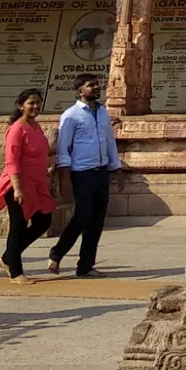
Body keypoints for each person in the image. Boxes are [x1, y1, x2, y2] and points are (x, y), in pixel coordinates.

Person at [47, 75, 121, 278]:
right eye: (91, 85)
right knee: (82, 216)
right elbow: (63, 148)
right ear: (80, 91)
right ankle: (57, 252)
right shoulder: (71, 116)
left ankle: (86, 265)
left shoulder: (103, 113)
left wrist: (116, 167)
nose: (96, 88)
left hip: (101, 170)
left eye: (97, 85)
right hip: (82, 172)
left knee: (97, 220)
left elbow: (109, 142)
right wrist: (64, 177)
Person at [0, 88, 54, 283]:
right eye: (31, 103)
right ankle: (15, 271)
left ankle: (8, 257)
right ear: (21, 106)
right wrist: (18, 188)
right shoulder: (16, 129)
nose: (35, 106)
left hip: (37, 183)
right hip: (18, 183)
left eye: (38, 102)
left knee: (43, 221)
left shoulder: (36, 127)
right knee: (18, 226)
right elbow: (11, 161)